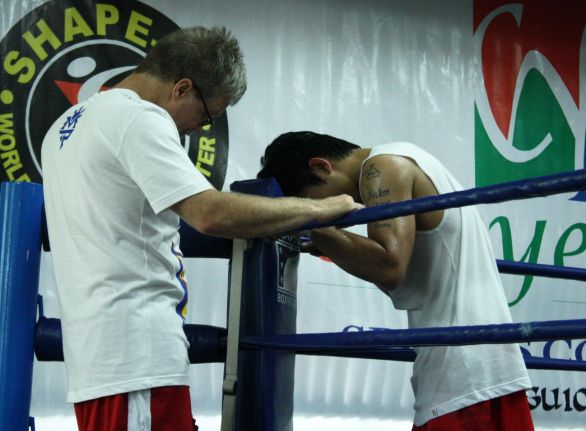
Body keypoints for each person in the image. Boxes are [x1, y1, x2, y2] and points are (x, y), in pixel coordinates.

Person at [41, 28, 361, 431]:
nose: (199, 129)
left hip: (106, 363)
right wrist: (321, 208)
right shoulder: (137, 118)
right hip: (137, 361)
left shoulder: (65, 126)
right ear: (182, 88)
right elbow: (209, 214)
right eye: (207, 115)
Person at [257, 131, 534, 431]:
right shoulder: (405, 159)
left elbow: (390, 267)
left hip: (462, 379)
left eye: (311, 203)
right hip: (480, 374)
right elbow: (401, 282)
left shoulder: (383, 167)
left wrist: (310, 225)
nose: (320, 213)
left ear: (322, 167)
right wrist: (334, 244)